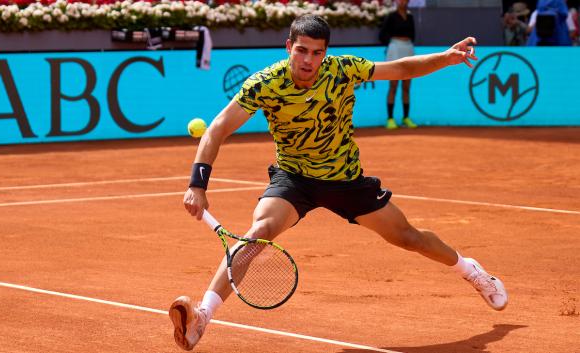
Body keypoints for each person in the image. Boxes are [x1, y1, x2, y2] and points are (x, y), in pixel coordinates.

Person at [169, 14, 508, 351]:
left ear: (326, 53)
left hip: (345, 179)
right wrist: (197, 184)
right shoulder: (266, 84)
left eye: (317, 53)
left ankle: (471, 270)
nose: (308, 60)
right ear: (288, 46)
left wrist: (446, 58)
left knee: (408, 237)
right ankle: (202, 316)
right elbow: (217, 128)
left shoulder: (343, 69)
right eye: (301, 50)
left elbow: (401, 69)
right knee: (258, 234)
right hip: (295, 179)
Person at [378, 0, 418, 130]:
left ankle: (406, 118)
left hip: (408, 48)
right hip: (395, 48)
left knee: (407, 86)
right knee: (393, 85)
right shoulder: (391, 16)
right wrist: (392, 44)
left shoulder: (410, 16)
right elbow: (382, 35)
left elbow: (413, 35)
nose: (402, 2)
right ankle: (390, 119)